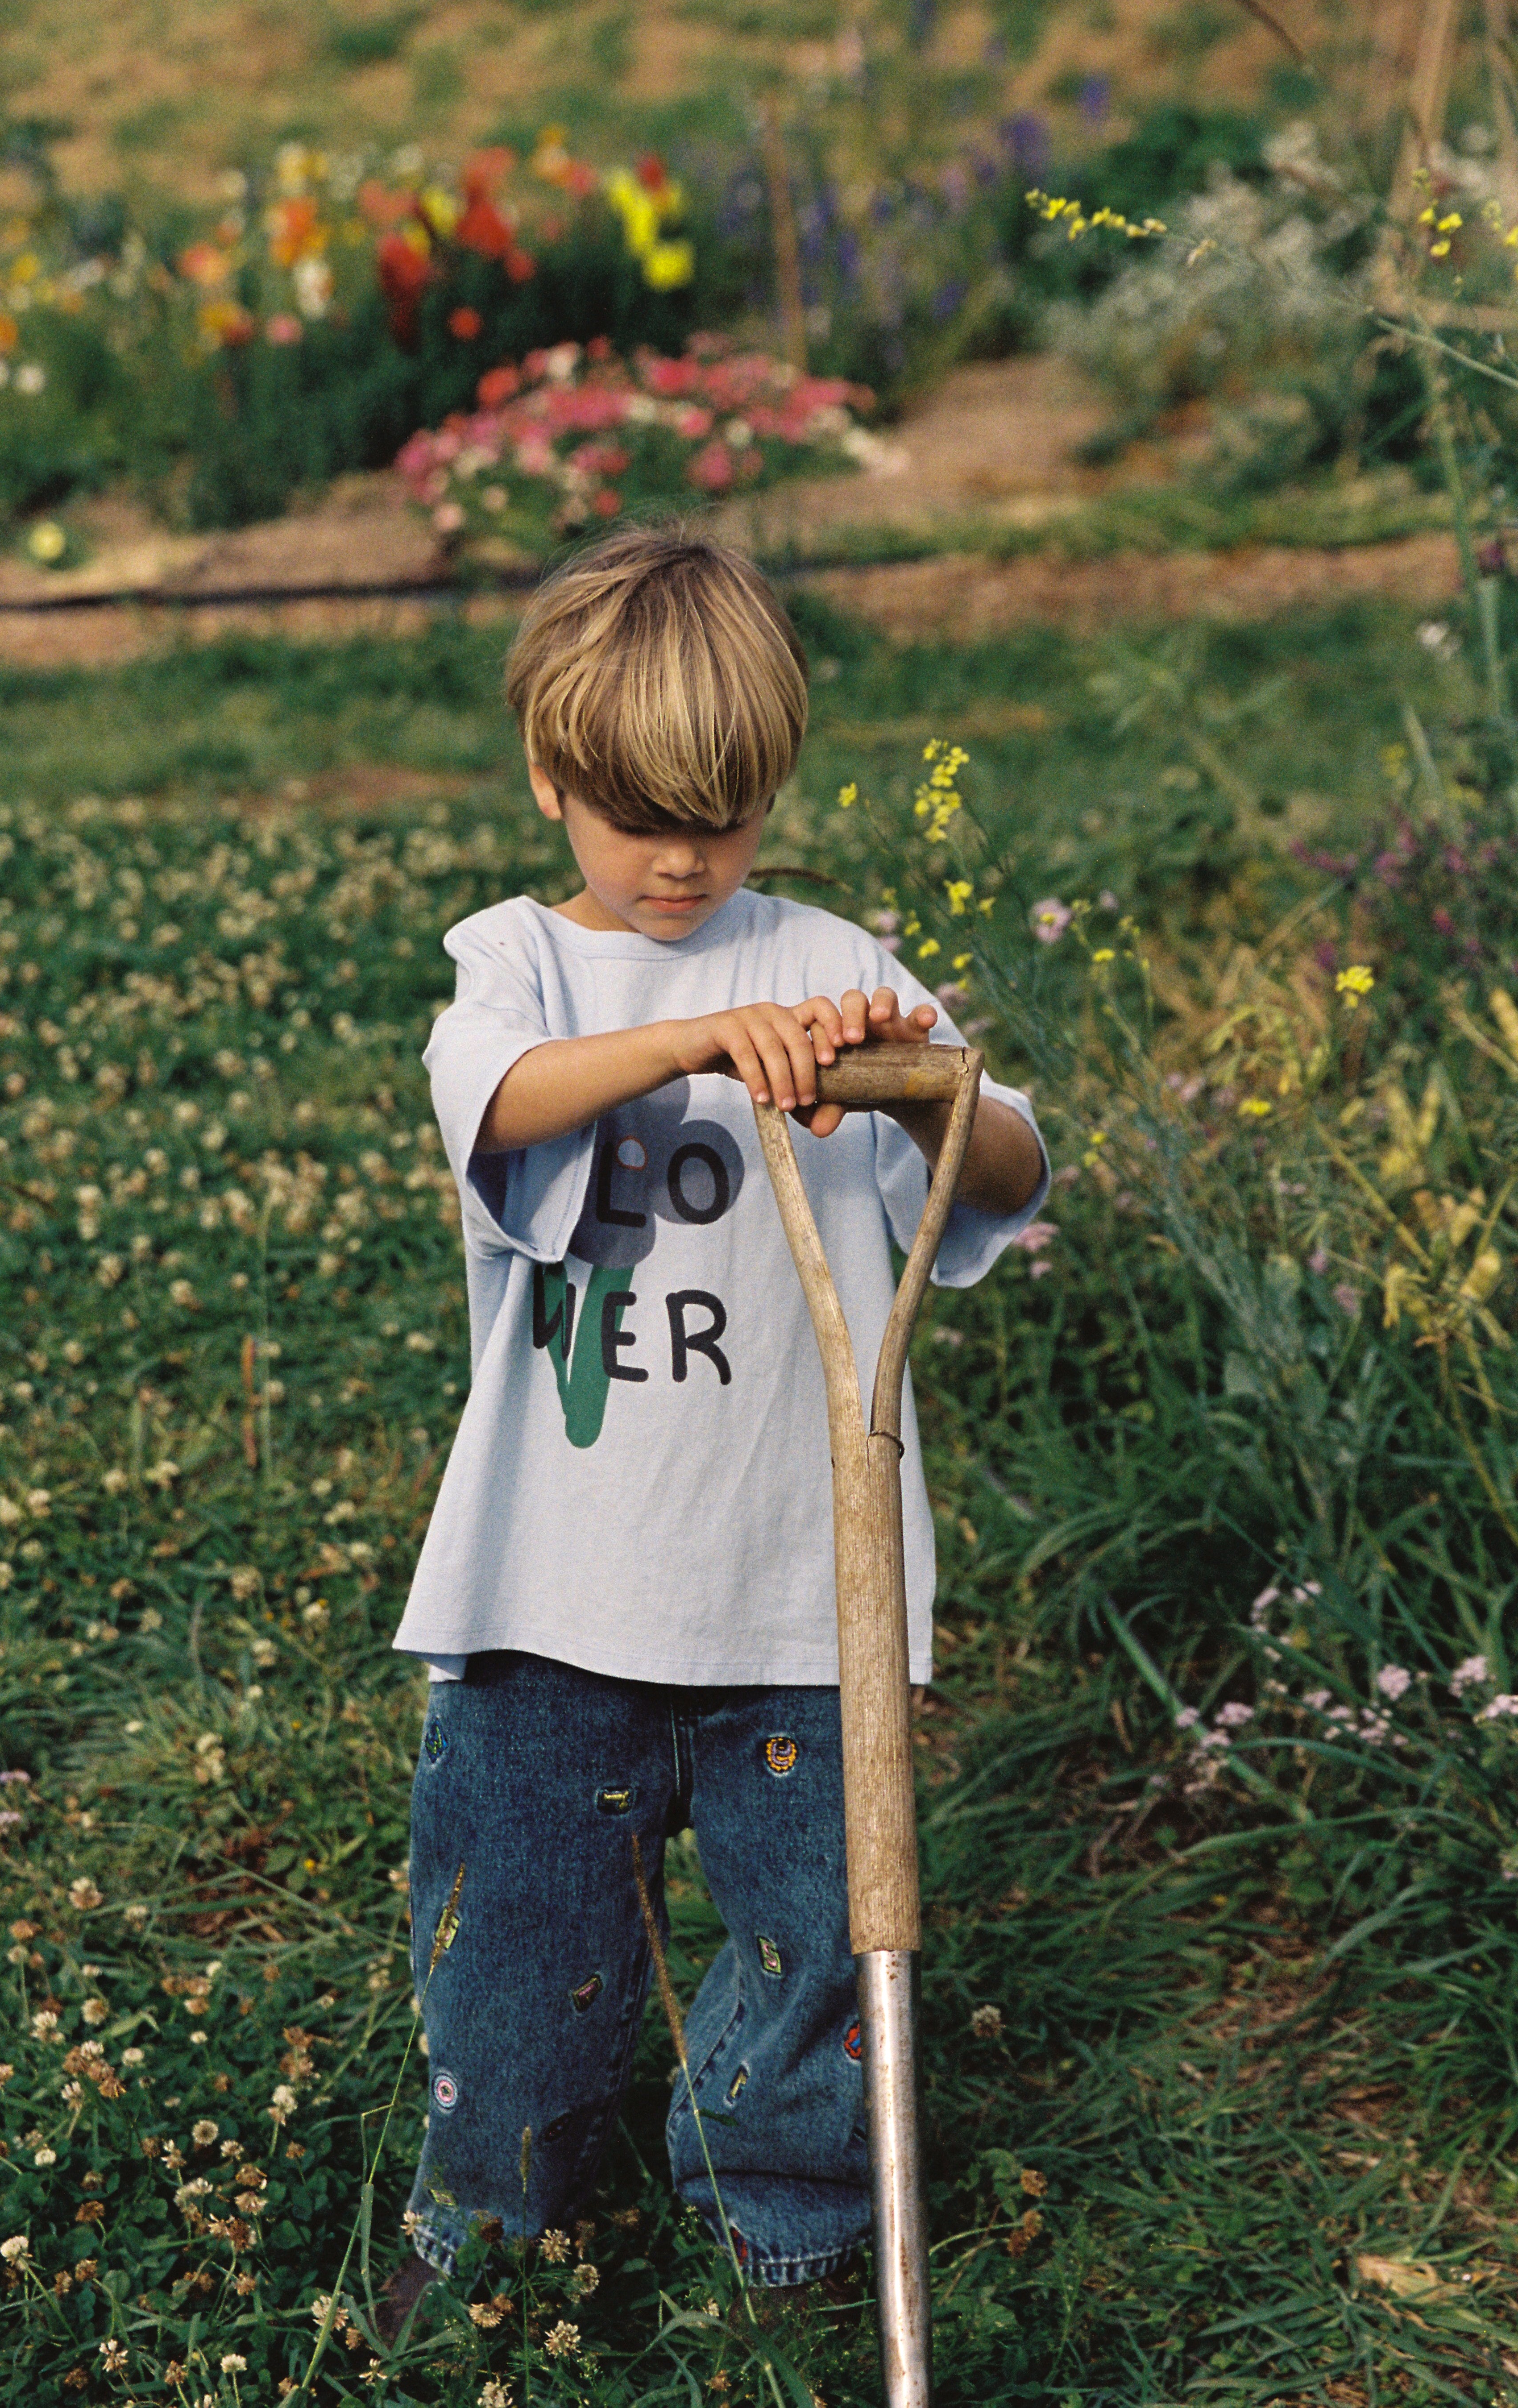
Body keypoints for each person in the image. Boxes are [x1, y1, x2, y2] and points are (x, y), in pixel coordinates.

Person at [378, 524, 1048, 2341]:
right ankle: (505, 2250)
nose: (683, 862)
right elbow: (501, 1104)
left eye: (725, 821)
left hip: (793, 1585)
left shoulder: (835, 958)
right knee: (521, 1961)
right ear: (549, 777)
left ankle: (798, 2242)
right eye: (636, 816)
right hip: (550, 1586)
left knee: (813, 1953)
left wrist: (912, 1076)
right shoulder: (517, 961)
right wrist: (699, 1044)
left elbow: (1009, 1163)